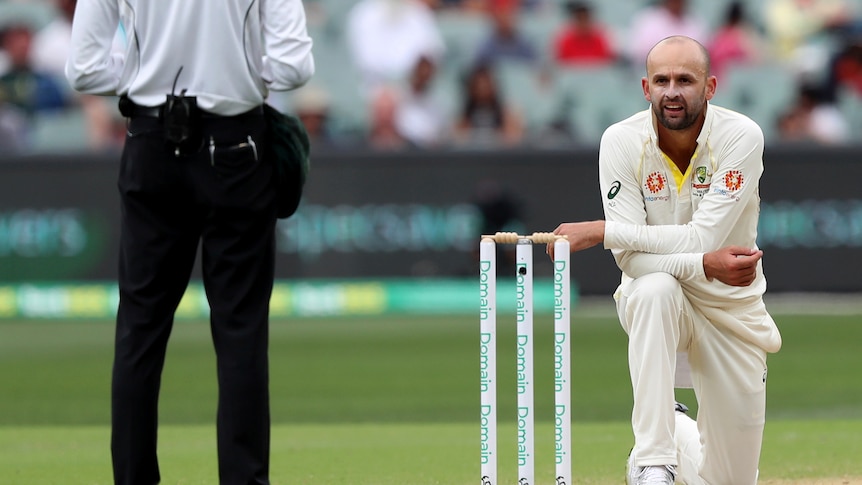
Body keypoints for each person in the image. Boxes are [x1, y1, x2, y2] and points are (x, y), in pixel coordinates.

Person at [65, 1, 314, 484]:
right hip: (237, 146)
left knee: (140, 326)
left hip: (151, 142)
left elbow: (84, 69)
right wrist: (235, 75)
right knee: (240, 330)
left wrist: (144, 74)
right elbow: (293, 66)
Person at [546, 36, 781, 485]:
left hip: (731, 309)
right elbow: (632, 263)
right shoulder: (621, 141)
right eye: (662, 80)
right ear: (645, 87)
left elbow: (702, 237)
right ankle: (653, 461)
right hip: (659, 297)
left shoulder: (741, 136)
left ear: (710, 87)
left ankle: (675, 428)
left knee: (730, 481)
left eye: (685, 80)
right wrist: (703, 264)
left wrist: (602, 230)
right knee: (655, 288)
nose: (672, 91)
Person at [552, 0, 616, 67]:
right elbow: (560, 65)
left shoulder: (599, 40)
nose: (583, 21)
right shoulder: (566, 41)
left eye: (585, 17)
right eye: (579, 18)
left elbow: (607, 64)